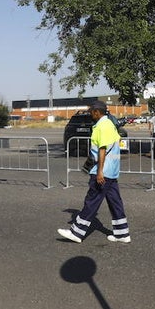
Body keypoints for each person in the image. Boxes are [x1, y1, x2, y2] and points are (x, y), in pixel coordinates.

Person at [58, 100, 130, 244]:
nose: (90, 114)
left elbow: (102, 149)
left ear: (97, 112)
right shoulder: (109, 124)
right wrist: (89, 166)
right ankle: (122, 233)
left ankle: (77, 232)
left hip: (103, 172)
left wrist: (99, 172)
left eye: (91, 111)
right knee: (115, 202)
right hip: (112, 171)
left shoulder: (102, 126)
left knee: (92, 200)